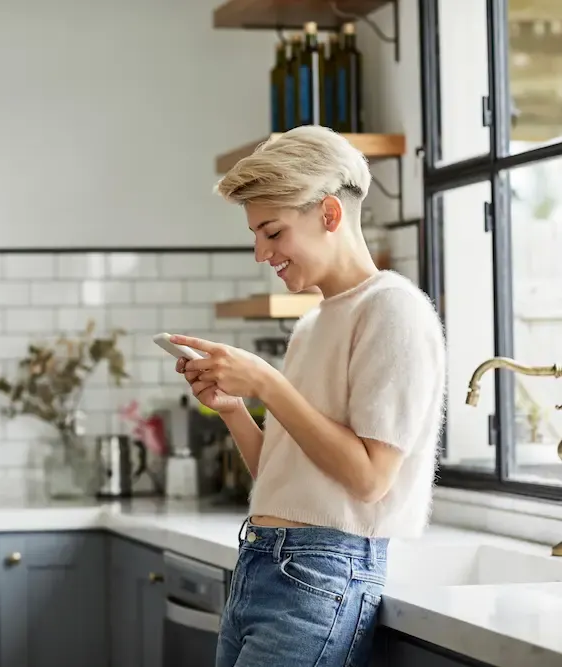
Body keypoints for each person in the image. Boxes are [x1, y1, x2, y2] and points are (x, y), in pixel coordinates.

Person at [168, 125, 447, 667]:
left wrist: (267, 383)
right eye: (255, 235)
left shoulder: (392, 310)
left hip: (322, 573)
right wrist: (235, 410)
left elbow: (369, 479)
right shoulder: (314, 323)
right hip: (264, 563)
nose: (260, 252)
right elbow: (282, 479)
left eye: (272, 232)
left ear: (328, 215)